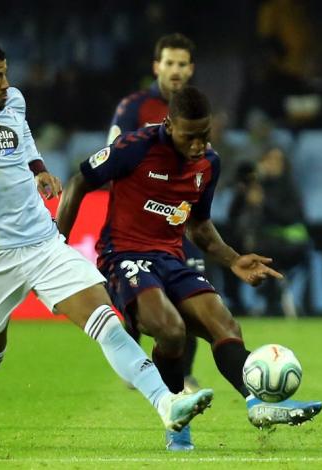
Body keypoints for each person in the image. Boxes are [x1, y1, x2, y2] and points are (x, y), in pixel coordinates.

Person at [0, 37, 214, 444]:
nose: (6, 83)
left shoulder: (14, 101)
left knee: (106, 323)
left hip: (43, 243)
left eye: (6, 73)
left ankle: (166, 404)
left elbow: (22, 135)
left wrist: (39, 168)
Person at [57, 86, 322, 451]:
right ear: (169, 124)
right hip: (124, 256)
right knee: (171, 330)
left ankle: (258, 403)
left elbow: (198, 225)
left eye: (204, 135)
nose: (199, 144)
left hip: (171, 258)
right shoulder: (136, 147)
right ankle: (176, 422)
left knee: (224, 323)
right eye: (190, 136)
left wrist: (232, 259)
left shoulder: (208, 164)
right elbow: (78, 182)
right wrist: (58, 244)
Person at [107, 32, 203, 395]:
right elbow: (113, 158)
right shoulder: (132, 108)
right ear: (156, 66)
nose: (175, 70)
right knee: (137, 300)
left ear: (190, 69)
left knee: (192, 294)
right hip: (137, 223)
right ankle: (138, 366)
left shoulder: (195, 109)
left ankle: (186, 373)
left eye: (182, 64)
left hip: (179, 221)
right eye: (169, 63)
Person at [228, 147, 310, 316]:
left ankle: (269, 295)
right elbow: (232, 215)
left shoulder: (289, 187)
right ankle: (239, 303)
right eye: (269, 160)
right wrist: (244, 193)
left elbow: (292, 217)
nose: (272, 165)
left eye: (277, 160)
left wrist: (264, 202)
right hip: (254, 244)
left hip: (286, 246)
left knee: (266, 251)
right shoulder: (253, 186)